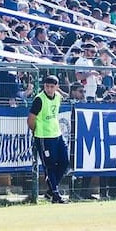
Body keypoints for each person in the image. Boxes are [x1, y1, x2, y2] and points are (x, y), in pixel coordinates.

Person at [27, 74, 69, 203]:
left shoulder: (58, 97)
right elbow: (31, 119)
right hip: (44, 137)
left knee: (65, 162)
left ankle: (51, 190)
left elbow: (65, 97)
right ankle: (55, 194)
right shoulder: (39, 99)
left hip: (56, 134)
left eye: (52, 86)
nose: (49, 89)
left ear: (56, 87)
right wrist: (36, 132)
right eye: (47, 86)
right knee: (49, 166)